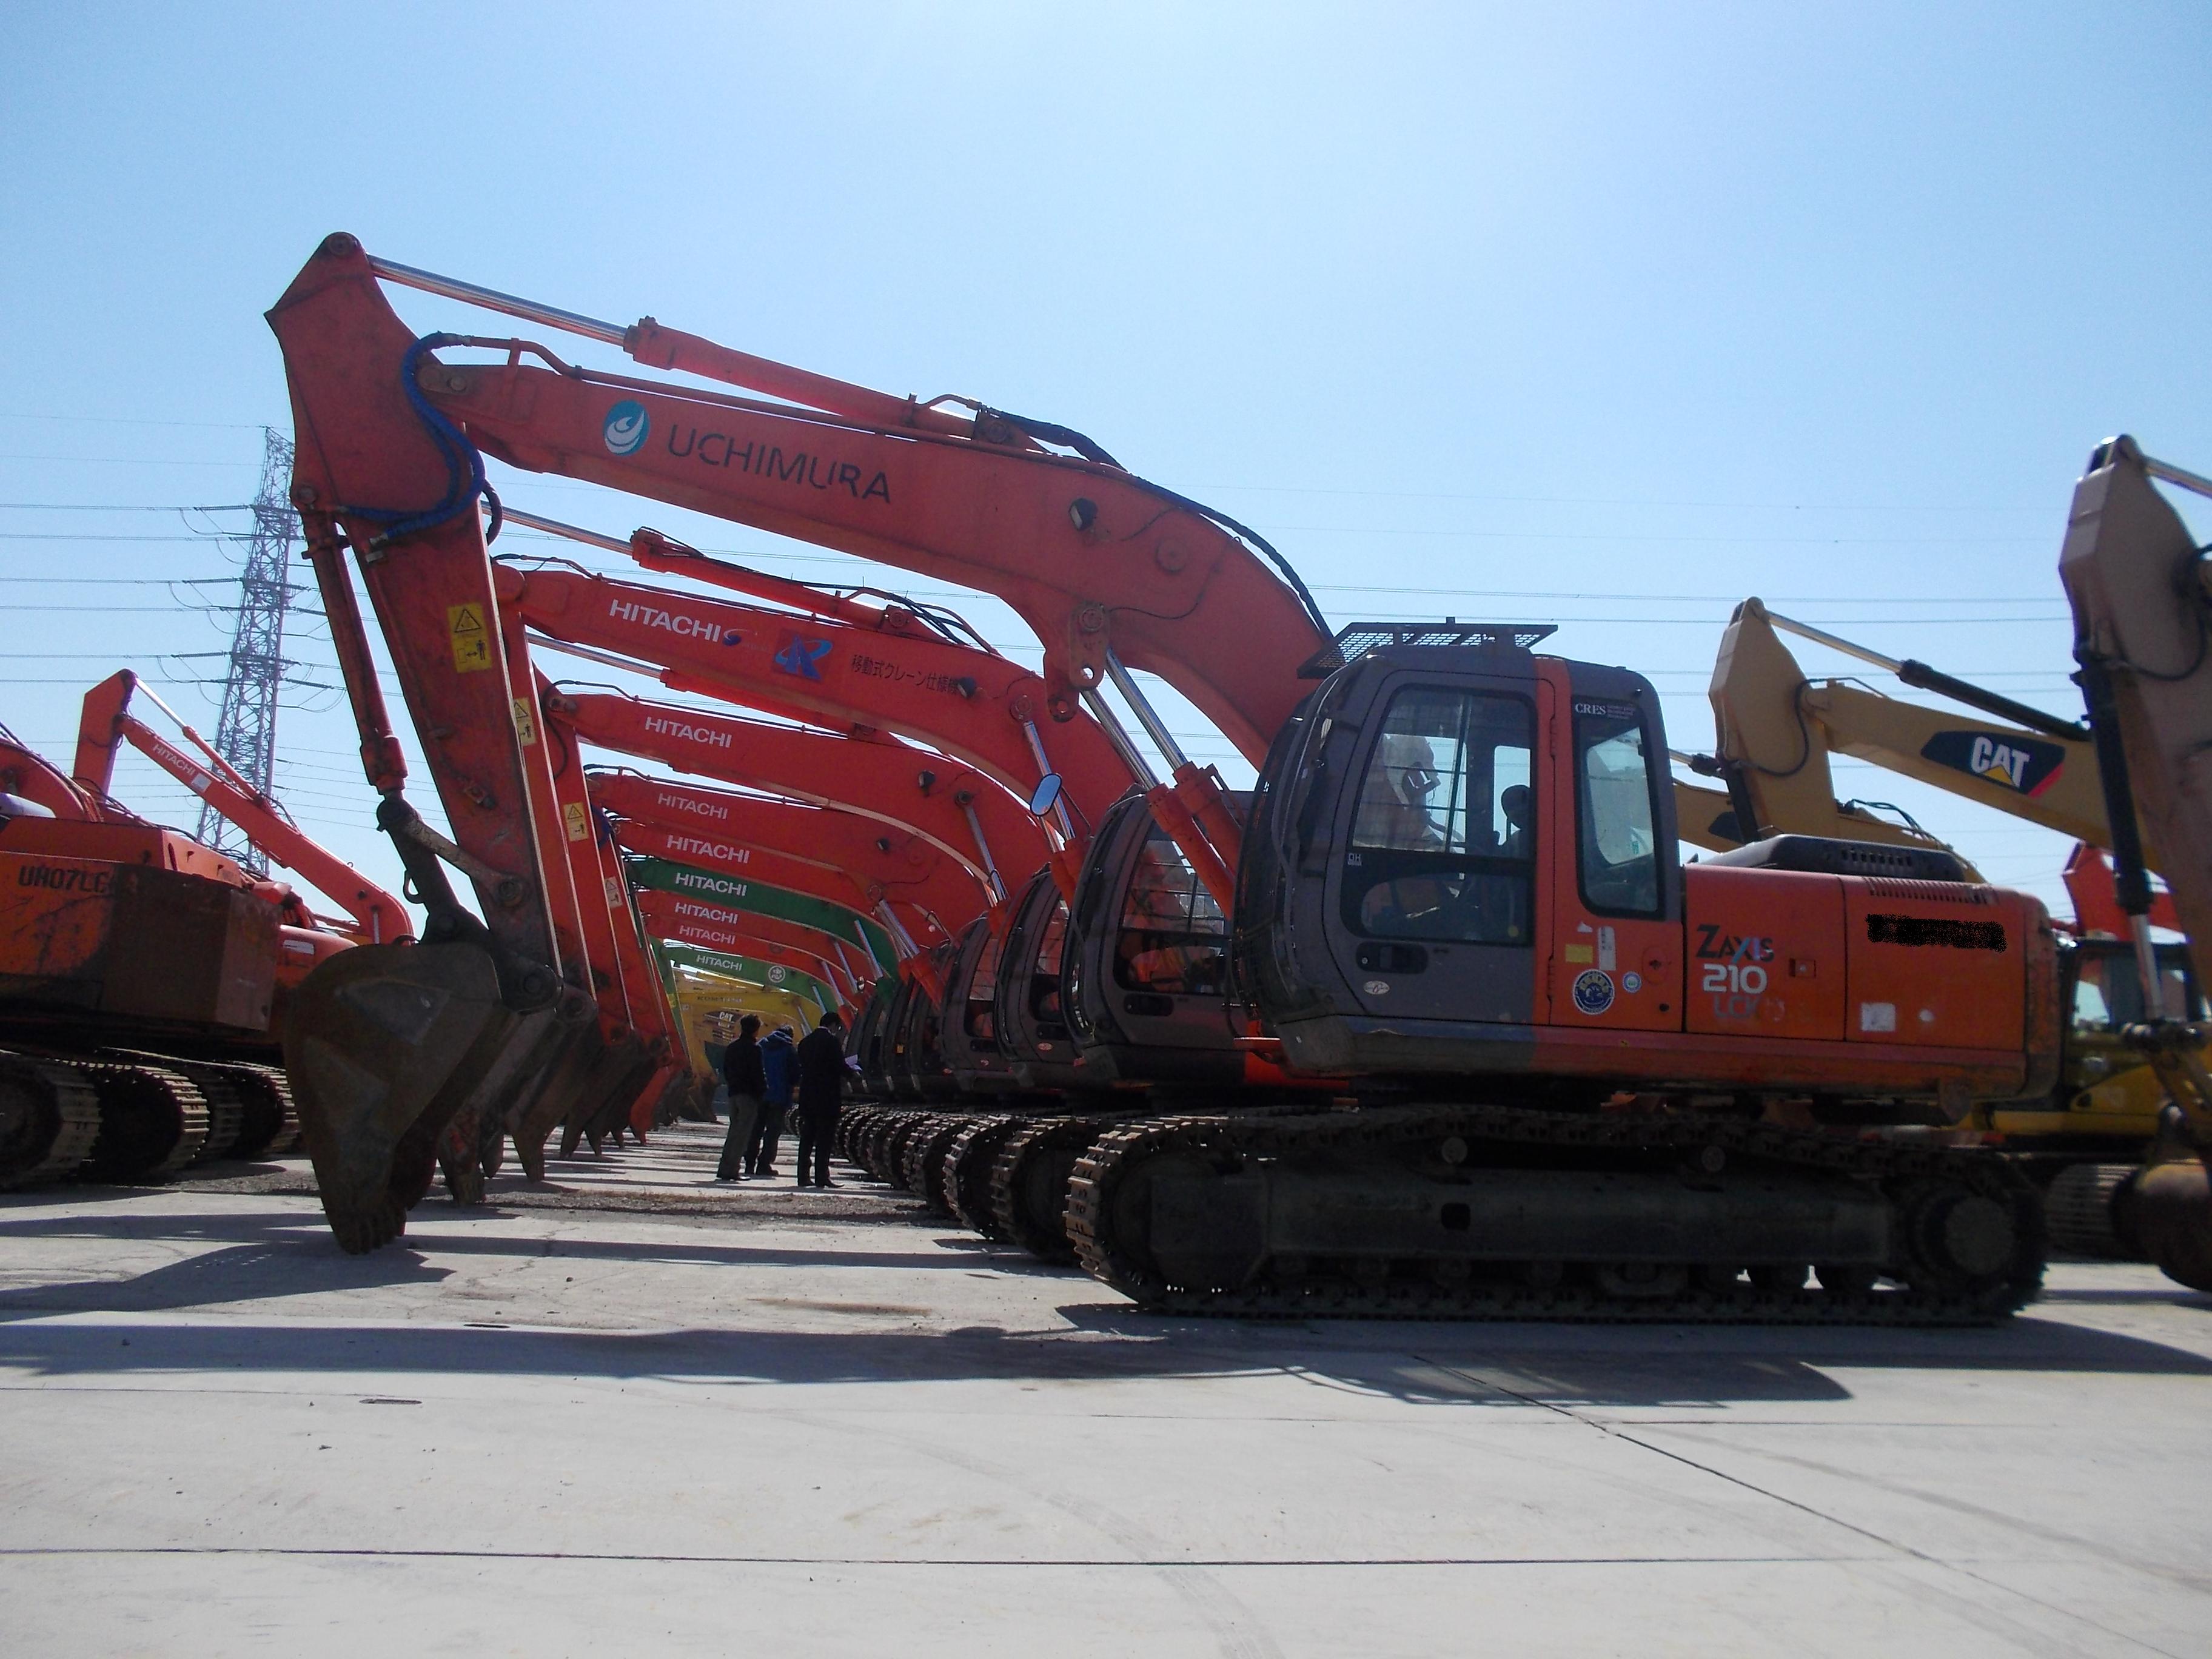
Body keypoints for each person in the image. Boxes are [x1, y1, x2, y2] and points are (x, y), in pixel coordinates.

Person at [792, 1011, 846, 1188]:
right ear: (833, 1025)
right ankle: (822, 1176)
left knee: (807, 1138)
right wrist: (853, 1072)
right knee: (824, 1139)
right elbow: (839, 1066)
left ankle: (803, 1177)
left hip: (808, 1096)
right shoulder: (832, 1042)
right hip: (827, 1097)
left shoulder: (805, 1043)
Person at [716, 1014, 765, 1182]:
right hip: (748, 1096)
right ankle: (733, 1170)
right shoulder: (754, 1049)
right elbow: (758, 1074)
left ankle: (724, 1167)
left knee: (733, 1132)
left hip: (733, 1094)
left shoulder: (732, 1047)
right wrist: (762, 1092)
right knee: (743, 1134)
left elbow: (725, 1070)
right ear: (756, 1029)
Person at [750, 1024, 796, 1176]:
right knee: (773, 1132)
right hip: (779, 1097)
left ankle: (749, 1163)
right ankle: (764, 1164)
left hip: (760, 1094)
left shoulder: (761, 1045)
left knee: (755, 1129)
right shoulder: (789, 1049)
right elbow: (795, 1075)